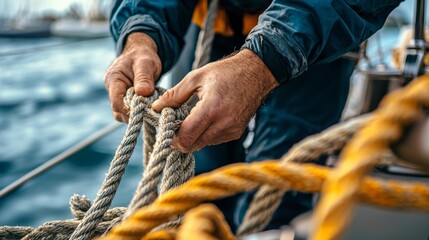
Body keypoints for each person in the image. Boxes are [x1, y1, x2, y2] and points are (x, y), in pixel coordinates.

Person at [104, 0, 404, 233]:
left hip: (317, 26)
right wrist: (140, 33)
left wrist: (268, 58)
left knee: (276, 192)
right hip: (211, 18)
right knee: (196, 188)